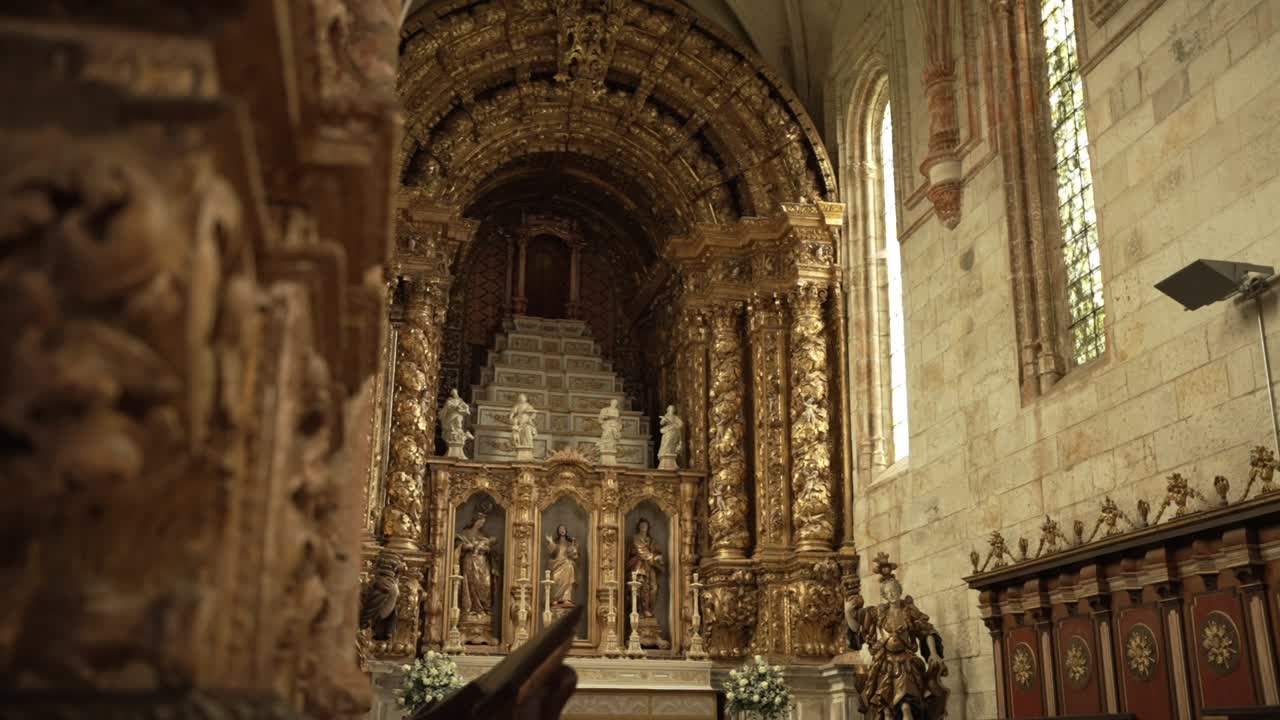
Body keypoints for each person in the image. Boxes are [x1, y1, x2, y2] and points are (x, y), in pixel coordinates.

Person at [844, 554, 949, 720]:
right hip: (884, 663)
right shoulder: (877, 613)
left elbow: (927, 631)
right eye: (888, 592)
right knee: (885, 709)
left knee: (907, 706)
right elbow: (859, 631)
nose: (892, 594)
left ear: (899, 591)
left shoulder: (909, 611)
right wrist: (848, 613)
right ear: (884, 595)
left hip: (906, 663)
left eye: (894, 590)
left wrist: (934, 653)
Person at [457, 511, 498, 620]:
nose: (482, 524)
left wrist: (484, 548)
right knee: (471, 583)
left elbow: (490, 548)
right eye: (480, 522)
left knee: (486, 584)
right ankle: (471, 609)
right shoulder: (466, 533)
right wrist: (467, 547)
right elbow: (460, 546)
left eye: (483, 522)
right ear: (475, 521)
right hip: (470, 560)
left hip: (482, 562)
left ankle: (484, 609)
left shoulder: (484, 535)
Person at [626, 518, 664, 617]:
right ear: (639, 527)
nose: (643, 527)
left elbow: (658, 552)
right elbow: (641, 551)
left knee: (654, 588)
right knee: (642, 588)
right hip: (639, 567)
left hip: (650, 567)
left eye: (645, 526)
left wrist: (659, 557)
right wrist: (653, 557)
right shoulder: (636, 538)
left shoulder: (651, 541)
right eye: (642, 525)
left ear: (648, 528)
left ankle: (649, 609)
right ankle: (642, 610)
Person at [544, 524, 579, 607]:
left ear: (566, 531)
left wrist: (574, 546)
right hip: (557, 563)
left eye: (563, 529)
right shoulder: (557, 542)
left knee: (569, 568)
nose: (562, 530)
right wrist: (550, 541)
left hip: (566, 563)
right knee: (556, 579)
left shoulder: (569, 542)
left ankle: (566, 598)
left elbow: (574, 553)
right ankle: (555, 598)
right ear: (558, 531)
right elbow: (553, 550)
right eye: (560, 529)